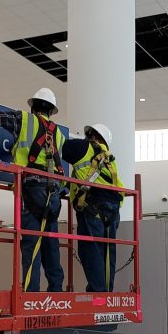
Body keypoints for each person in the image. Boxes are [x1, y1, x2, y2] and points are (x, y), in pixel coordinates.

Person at [0, 88, 66, 292]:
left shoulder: (24, 119)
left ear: (33, 106)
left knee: (31, 245)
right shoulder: (59, 133)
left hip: (33, 191)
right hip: (54, 196)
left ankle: (31, 296)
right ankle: (56, 293)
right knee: (51, 246)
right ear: (51, 111)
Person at [61, 124, 123, 292]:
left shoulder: (85, 148)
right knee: (107, 254)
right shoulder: (110, 159)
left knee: (91, 251)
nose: (86, 137)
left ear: (94, 136)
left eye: (89, 134)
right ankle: (107, 291)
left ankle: (98, 291)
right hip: (113, 210)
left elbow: (65, 148)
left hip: (93, 207)